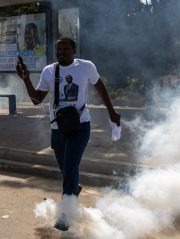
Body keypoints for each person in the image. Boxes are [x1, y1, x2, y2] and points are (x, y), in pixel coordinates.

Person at [16, 36, 121, 231]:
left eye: (65, 49)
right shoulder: (49, 71)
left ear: (74, 51)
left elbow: (100, 88)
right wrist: (26, 79)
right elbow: (36, 100)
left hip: (80, 126)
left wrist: (111, 111)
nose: (61, 52)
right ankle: (74, 189)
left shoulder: (86, 67)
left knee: (71, 168)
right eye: (58, 49)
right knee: (64, 168)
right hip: (58, 128)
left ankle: (66, 215)